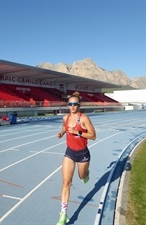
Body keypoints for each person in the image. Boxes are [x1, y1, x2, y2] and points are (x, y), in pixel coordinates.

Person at [56, 91, 96, 225]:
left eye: (75, 104)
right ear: (68, 105)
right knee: (66, 182)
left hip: (83, 154)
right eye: (70, 104)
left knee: (82, 176)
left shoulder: (84, 119)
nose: (72, 106)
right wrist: (62, 132)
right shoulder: (65, 118)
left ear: (79, 105)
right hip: (70, 153)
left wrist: (77, 132)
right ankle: (63, 214)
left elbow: (93, 135)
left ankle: (86, 174)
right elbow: (64, 126)